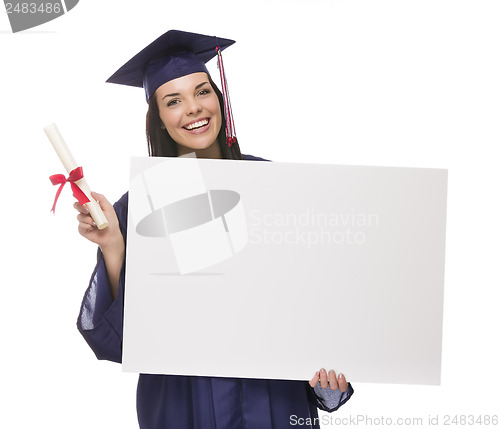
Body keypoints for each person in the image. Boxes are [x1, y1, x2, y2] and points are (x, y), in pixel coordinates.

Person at [75, 29, 354, 429]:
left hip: (272, 398)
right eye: (174, 100)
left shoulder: (277, 185)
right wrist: (113, 247)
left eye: (202, 91)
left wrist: (328, 379)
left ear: (218, 99)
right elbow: (123, 340)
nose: (193, 108)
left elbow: (315, 298)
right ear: (158, 119)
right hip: (183, 400)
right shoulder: (141, 203)